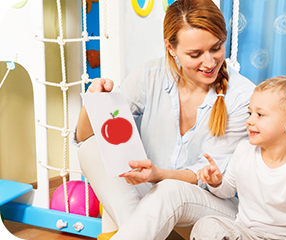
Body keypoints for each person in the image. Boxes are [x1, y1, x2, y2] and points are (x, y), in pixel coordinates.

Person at [75, 0, 255, 239]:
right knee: (89, 150)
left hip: (212, 207)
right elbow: (85, 137)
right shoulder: (151, 75)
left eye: (216, 47)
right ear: (171, 48)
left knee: (169, 190)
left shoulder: (242, 97)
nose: (210, 62)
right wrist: (95, 102)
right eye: (195, 54)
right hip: (153, 200)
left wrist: (159, 175)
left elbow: (209, 175)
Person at [191, 76, 286, 240]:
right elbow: (228, 191)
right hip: (244, 232)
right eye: (249, 112)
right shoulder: (243, 150)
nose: (250, 121)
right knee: (207, 225)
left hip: (283, 238)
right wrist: (216, 182)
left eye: (260, 114)